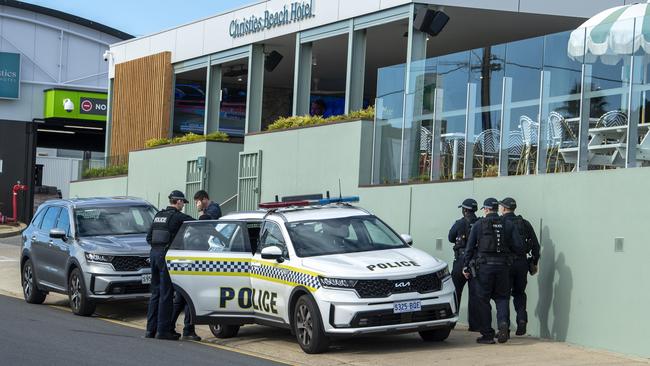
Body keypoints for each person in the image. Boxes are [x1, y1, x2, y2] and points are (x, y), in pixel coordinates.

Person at [463, 198, 523, 344]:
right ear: (497, 209)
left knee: (483, 300)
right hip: (503, 268)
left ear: (486, 209)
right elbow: (518, 246)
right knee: (502, 298)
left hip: (484, 268)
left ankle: (487, 334)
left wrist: (465, 266)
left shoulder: (478, 224)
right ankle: (503, 324)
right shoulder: (508, 224)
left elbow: (469, 248)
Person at [145, 190, 194, 340]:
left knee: (155, 293)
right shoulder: (178, 217)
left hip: (153, 254)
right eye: (183, 203)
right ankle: (163, 331)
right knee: (166, 294)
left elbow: (148, 238)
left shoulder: (158, 215)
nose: (183, 206)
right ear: (178, 201)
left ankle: (150, 330)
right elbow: (197, 223)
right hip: (165, 257)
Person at [499, 197, 540, 336]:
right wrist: (534, 262)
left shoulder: (500, 222)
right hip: (522, 263)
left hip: (506, 264)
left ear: (504, 208)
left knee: (504, 296)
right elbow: (536, 245)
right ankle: (522, 320)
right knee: (519, 293)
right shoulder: (524, 223)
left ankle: (504, 326)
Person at [447, 198, 479, 331]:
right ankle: (475, 325)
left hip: (461, 261)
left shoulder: (459, 223)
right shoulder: (480, 223)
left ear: (465, 210)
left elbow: (450, 238)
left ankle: (452, 322)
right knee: (475, 294)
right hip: (476, 262)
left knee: (455, 293)